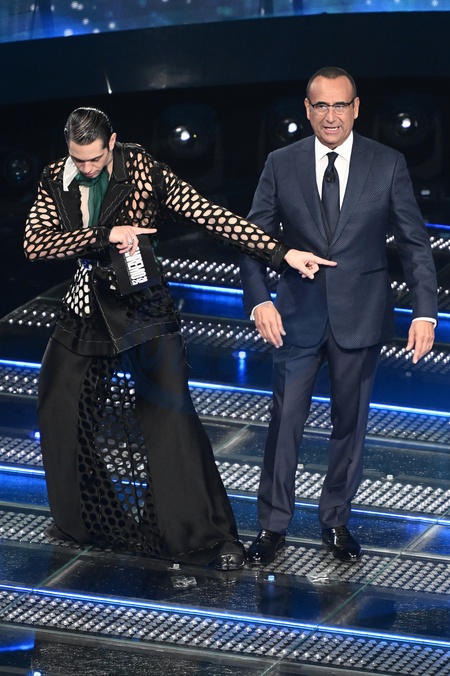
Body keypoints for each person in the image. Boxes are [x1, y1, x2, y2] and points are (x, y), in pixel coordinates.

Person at [23, 106, 335, 571]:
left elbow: (209, 215)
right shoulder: (56, 177)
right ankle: (87, 522)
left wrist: (280, 253)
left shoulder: (142, 169)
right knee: (59, 407)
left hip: (141, 306)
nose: (86, 168)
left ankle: (202, 536)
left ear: (112, 144)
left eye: (94, 159)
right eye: (78, 159)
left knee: (169, 416)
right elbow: (36, 243)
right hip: (86, 308)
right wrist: (104, 234)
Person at [239, 67, 438, 565]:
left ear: (356, 108)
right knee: (285, 422)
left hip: (361, 315)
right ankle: (272, 527)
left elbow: (414, 244)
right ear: (307, 110)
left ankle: (335, 521)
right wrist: (259, 300)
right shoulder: (281, 163)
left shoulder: (387, 163)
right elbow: (253, 238)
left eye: (341, 105)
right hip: (296, 314)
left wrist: (425, 313)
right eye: (322, 106)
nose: (332, 116)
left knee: (350, 425)